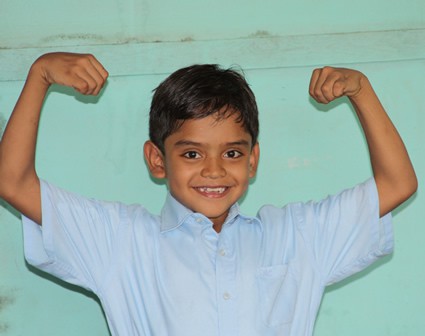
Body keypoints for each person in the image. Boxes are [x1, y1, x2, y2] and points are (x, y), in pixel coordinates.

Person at [0, 52, 417, 335]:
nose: (214, 170)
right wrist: (40, 75)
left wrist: (361, 90)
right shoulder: (122, 241)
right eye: (192, 152)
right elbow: (13, 183)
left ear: (253, 161)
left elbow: (398, 184)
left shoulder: (295, 236)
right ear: (157, 160)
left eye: (232, 152)